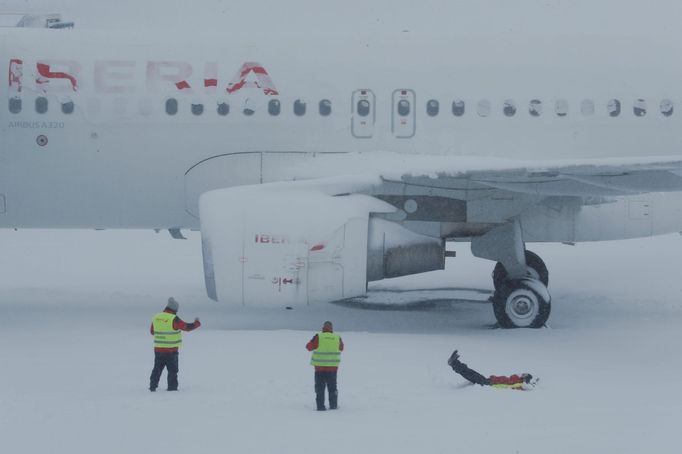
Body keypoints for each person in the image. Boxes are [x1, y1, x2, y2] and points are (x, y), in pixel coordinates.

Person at [149, 297, 201, 392]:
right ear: (174, 309)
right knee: (172, 371)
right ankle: (172, 389)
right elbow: (187, 327)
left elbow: (152, 332)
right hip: (171, 351)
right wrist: (197, 323)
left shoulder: (156, 317)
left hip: (158, 350)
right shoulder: (173, 319)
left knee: (157, 369)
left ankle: (152, 386)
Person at [447, 350, 535, 390]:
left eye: (524, 375)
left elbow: (519, 384)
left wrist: (529, 383)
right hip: (490, 381)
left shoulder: (518, 383)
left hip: (490, 384)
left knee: (471, 374)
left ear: (525, 379)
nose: (522, 374)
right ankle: (455, 363)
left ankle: (454, 363)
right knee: (471, 374)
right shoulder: (517, 381)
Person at [306, 321, 344, 410]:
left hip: (320, 368)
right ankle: (333, 406)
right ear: (332, 328)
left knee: (320, 388)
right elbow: (341, 348)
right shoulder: (337, 337)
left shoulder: (318, 336)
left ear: (323, 328)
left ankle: (320, 406)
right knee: (332, 387)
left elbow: (309, 347)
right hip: (332, 368)